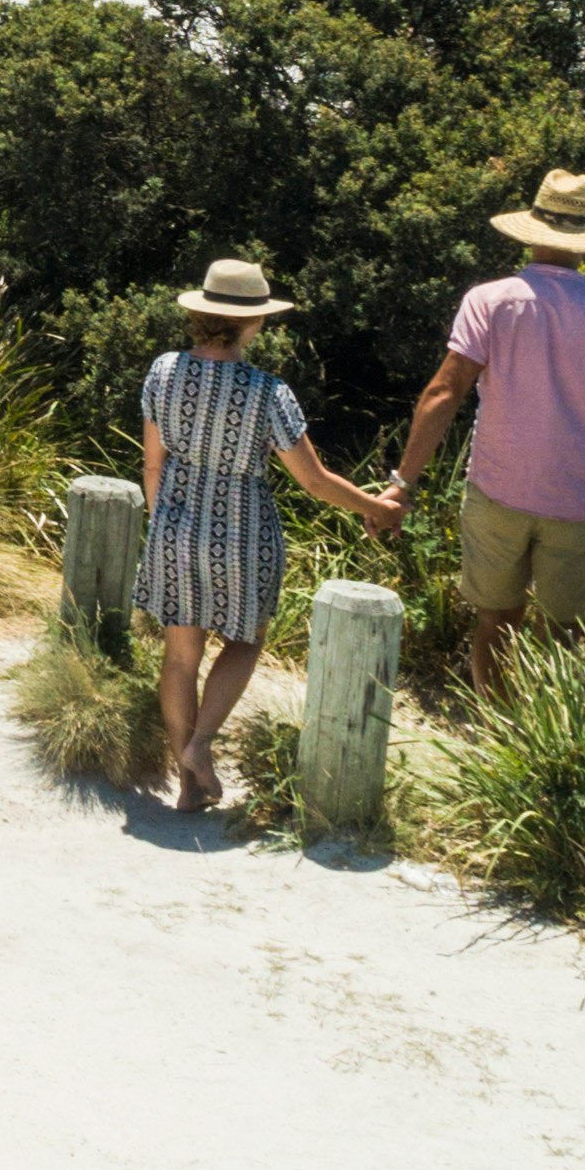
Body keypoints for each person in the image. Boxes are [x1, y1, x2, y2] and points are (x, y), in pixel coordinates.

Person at [140, 259, 399, 813]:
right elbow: (314, 480)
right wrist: (375, 506)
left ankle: (188, 784)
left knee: (180, 656)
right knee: (246, 640)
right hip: (241, 531)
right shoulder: (267, 392)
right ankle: (201, 745)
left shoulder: (164, 371)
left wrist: (166, 526)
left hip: (173, 525)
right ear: (252, 323)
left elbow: (153, 465)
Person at [387, 169, 585, 691]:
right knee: (566, 636)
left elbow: (444, 393)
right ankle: (542, 735)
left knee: (495, 622)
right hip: (579, 501)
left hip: (497, 491)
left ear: (530, 231)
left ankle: (494, 724)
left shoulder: (490, 301)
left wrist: (403, 482)